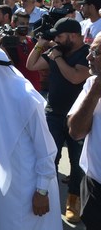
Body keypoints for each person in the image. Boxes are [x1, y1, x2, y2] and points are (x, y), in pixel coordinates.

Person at [0, 47, 61, 230]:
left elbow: (46, 150)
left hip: (31, 186)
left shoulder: (26, 98)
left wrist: (42, 190)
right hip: (1, 189)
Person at [26, 17, 90, 223]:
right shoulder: (56, 52)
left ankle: (74, 200)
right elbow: (31, 64)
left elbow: (75, 77)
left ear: (73, 35)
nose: (57, 40)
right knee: (47, 157)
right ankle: (47, 195)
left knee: (77, 161)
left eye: (60, 36)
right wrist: (40, 44)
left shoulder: (87, 54)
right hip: (53, 113)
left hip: (77, 116)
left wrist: (57, 58)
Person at [68, 32, 101, 228]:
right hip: (95, 187)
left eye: (95, 52)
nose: (88, 57)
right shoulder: (91, 84)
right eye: (89, 50)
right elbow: (76, 132)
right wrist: (95, 94)